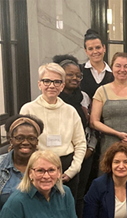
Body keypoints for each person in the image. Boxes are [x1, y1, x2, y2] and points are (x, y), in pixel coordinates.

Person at [19, 63, 86, 198]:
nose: (51, 85)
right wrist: (38, 171)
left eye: (57, 82)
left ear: (62, 86)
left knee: (67, 211)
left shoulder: (70, 111)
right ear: (39, 84)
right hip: (39, 170)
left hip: (67, 169)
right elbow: (23, 145)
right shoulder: (28, 110)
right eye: (47, 81)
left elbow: (80, 143)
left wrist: (72, 171)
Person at [53, 54, 99, 218]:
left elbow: (92, 127)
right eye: (69, 75)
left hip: (84, 154)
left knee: (79, 196)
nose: (74, 78)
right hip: (60, 155)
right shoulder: (54, 98)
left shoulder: (85, 98)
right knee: (58, 196)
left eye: (78, 75)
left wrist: (91, 149)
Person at [0, 115, 44, 209]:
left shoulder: (47, 165)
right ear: (11, 140)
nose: (25, 142)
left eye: (31, 138)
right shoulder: (0, 164)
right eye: (20, 138)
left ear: (37, 141)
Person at [80, 29, 114, 99]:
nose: (95, 51)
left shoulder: (114, 73)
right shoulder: (79, 71)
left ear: (104, 48)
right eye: (90, 49)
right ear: (86, 51)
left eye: (98, 48)